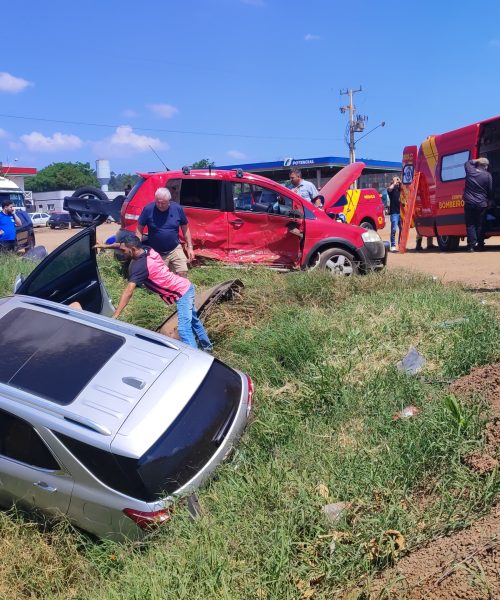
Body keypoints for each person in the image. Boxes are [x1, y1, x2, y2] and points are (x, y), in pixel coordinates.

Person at [95, 235, 212, 351]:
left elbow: (128, 291)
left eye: (124, 251)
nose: (122, 253)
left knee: (184, 329)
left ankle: (194, 358)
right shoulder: (146, 249)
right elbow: (120, 245)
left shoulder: (141, 266)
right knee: (193, 321)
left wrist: (116, 315)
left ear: (133, 249)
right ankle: (208, 347)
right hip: (184, 287)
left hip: (182, 293)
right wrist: (105, 246)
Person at [136, 187, 194, 277]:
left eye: (163, 203)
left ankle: (181, 289)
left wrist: (190, 247)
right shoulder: (148, 209)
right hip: (156, 251)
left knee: (182, 272)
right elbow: (139, 229)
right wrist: (138, 247)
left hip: (174, 248)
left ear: (169, 201)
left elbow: (185, 228)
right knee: (161, 276)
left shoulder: (177, 209)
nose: (160, 205)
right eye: (158, 202)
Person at [463, 158, 493, 252]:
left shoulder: (470, 171)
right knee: (480, 224)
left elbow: (467, 163)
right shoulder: (488, 175)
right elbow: (490, 190)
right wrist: (490, 200)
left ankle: (471, 246)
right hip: (482, 203)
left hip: (469, 202)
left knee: (470, 224)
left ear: (478, 164)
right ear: (485, 166)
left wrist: (477, 160)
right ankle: (480, 245)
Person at [387, 176, 402, 251]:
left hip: (401, 212)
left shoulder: (400, 189)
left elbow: (406, 189)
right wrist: (394, 182)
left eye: (397, 179)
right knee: (393, 229)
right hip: (394, 213)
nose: (397, 181)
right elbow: (389, 189)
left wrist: (400, 181)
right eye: (395, 180)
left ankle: (400, 244)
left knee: (402, 229)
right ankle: (393, 245)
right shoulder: (391, 190)